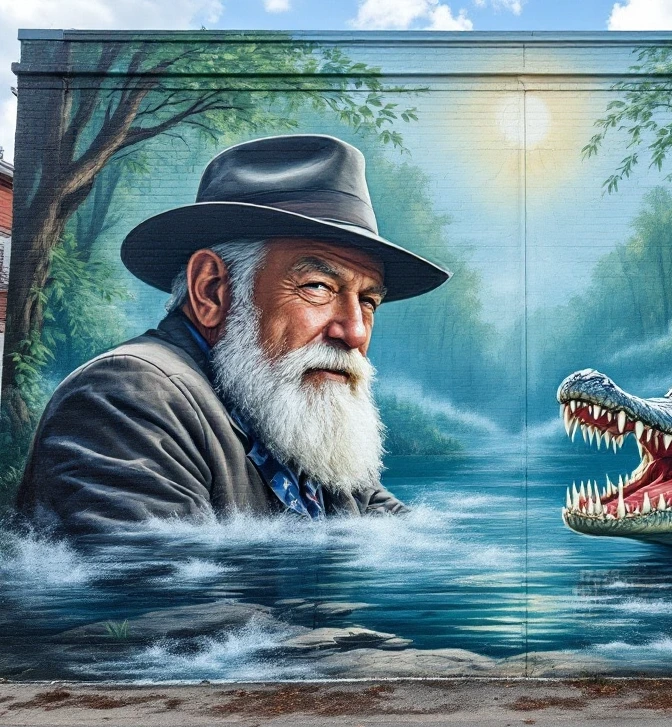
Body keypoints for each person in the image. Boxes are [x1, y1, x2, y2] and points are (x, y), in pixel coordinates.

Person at [17, 135, 450, 534]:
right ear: (211, 289)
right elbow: (153, 601)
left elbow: (400, 535)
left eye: (368, 302)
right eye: (318, 286)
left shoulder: (294, 412)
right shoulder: (126, 397)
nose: (354, 331)